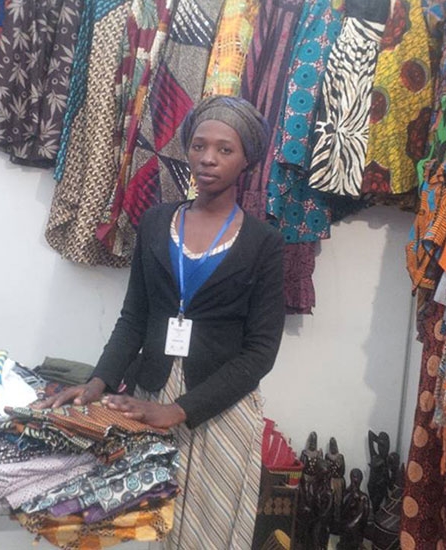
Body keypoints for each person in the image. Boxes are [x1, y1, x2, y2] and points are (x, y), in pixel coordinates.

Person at [38, 95, 286, 549]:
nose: (207, 158)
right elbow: (134, 316)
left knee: (205, 534)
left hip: (217, 411)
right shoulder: (155, 223)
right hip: (148, 396)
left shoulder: (265, 244)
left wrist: (179, 411)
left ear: (246, 159)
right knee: (144, 527)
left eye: (224, 150)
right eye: (198, 145)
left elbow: (260, 353)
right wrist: (99, 382)